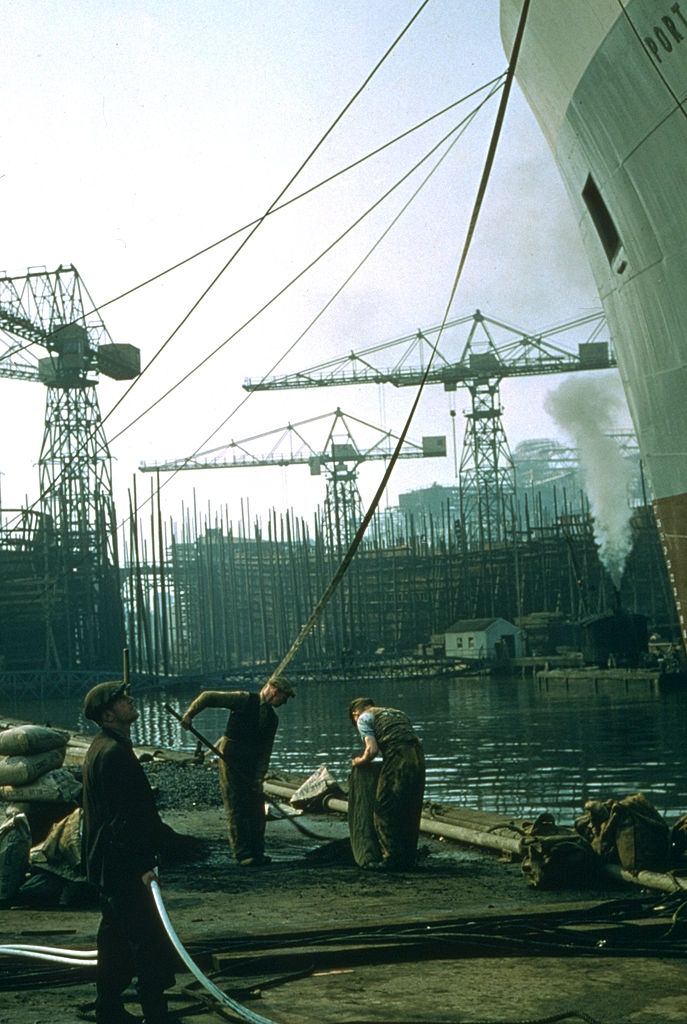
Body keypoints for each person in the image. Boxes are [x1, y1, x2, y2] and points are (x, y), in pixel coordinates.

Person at [81, 680, 177, 1024]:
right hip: (122, 867)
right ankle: (156, 1014)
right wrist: (143, 866)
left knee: (115, 940)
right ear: (109, 714)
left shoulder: (104, 748)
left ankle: (108, 1008)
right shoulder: (113, 755)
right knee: (147, 941)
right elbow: (123, 822)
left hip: (108, 864)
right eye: (122, 700)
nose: (130, 700)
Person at [180, 676, 295, 866]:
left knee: (256, 808)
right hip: (230, 756)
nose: (284, 702)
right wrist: (189, 714)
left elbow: (266, 750)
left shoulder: (272, 720)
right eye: (284, 697)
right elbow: (208, 697)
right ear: (274, 690)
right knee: (236, 805)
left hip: (252, 761)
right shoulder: (243, 700)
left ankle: (257, 851)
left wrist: (260, 777)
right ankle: (242, 854)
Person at [348, 696, 425, 870]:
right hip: (418, 757)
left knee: (384, 808)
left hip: (399, 757)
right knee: (408, 806)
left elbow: (372, 750)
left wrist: (359, 761)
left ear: (355, 713)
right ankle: (408, 855)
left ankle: (391, 859)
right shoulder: (396, 713)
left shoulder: (363, 718)